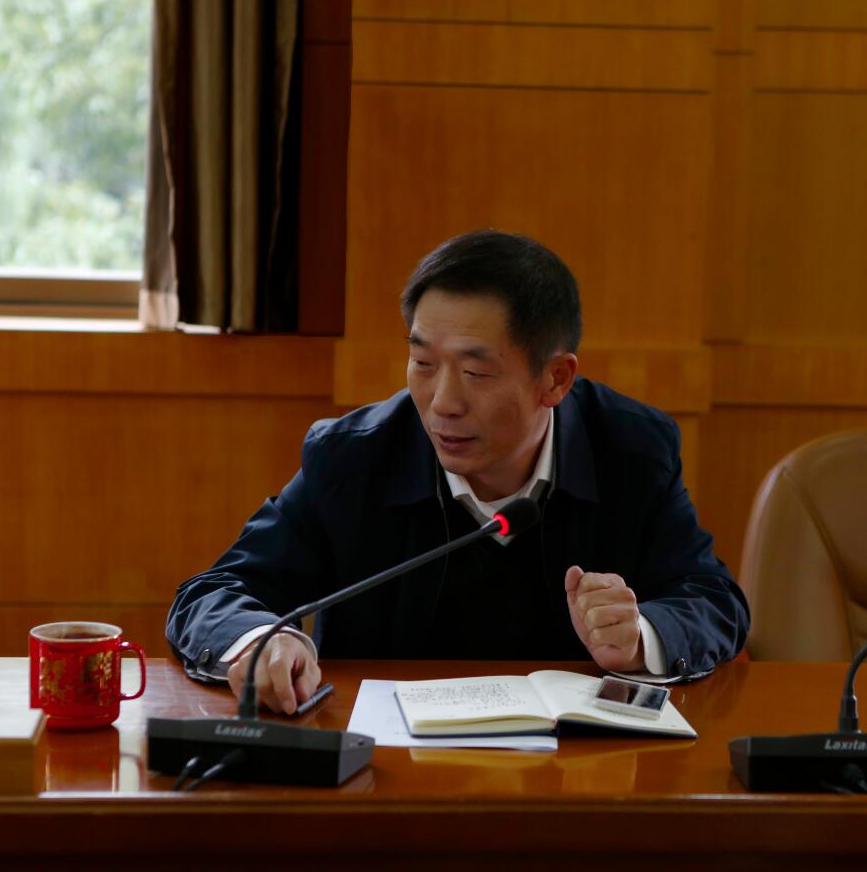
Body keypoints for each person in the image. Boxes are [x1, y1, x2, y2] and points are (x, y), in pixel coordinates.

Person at [166, 230, 750, 714]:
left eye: (476, 373)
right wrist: (260, 642)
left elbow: (714, 600)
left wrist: (641, 635)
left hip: (577, 779)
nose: (442, 402)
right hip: (386, 776)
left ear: (556, 379)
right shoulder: (354, 458)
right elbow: (213, 594)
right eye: (422, 363)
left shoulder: (630, 451)